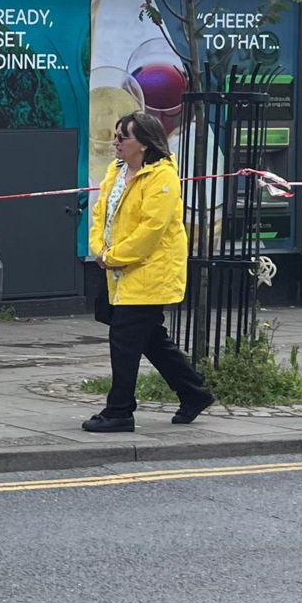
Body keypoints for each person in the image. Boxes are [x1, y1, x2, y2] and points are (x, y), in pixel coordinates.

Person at [83, 111, 214, 434]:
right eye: (115, 136)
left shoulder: (162, 177)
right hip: (118, 271)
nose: (115, 143)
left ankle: (120, 411)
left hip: (148, 273)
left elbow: (150, 230)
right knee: (152, 339)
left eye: (121, 137)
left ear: (142, 144)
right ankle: (194, 393)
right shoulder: (116, 171)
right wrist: (99, 249)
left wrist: (113, 256)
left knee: (124, 341)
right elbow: (101, 213)